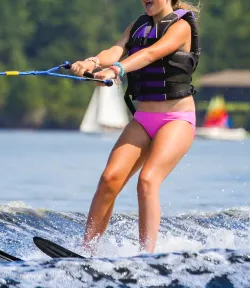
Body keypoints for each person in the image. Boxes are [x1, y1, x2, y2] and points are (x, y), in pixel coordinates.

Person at [69, 0, 200, 254]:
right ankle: (86, 252)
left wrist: (115, 71)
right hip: (142, 120)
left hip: (176, 119)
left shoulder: (180, 26)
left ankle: (146, 257)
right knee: (109, 179)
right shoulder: (138, 26)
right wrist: (92, 62)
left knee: (148, 181)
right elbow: (116, 50)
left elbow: (151, 54)